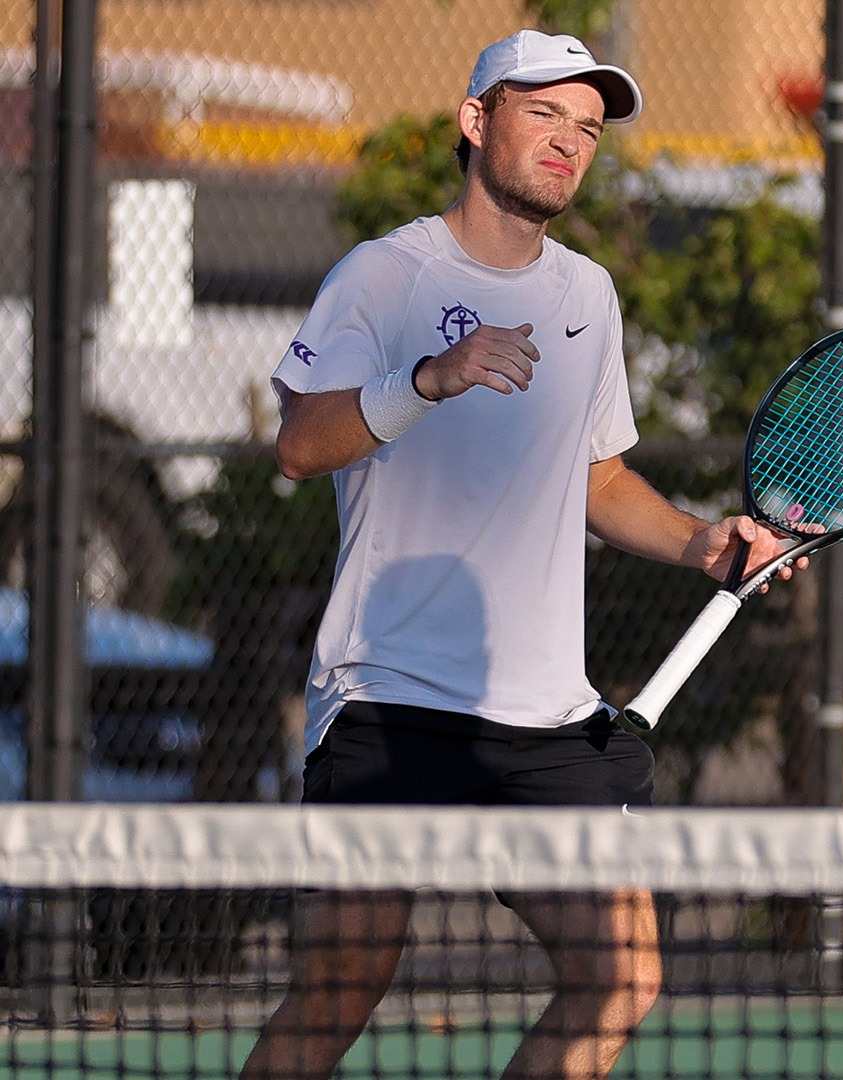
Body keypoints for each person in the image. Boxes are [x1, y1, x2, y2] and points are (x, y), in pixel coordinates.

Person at [241, 29, 799, 1080]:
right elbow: (298, 446)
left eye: (586, 129)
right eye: (544, 114)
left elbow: (597, 480)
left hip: (543, 716)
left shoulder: (587, 297)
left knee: (621, 975)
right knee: (343, 981)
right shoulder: (384, 276)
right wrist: (428, 380)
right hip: (388, 694)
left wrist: (702, 543)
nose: (568, 143)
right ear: (476, 121)